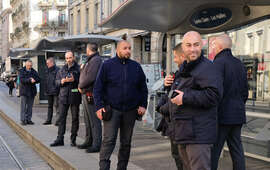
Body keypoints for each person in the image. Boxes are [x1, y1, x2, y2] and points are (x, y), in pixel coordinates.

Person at [163, 31, 220, 170]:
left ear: (202, 45)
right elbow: (176, 93)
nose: (193, 49)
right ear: (183, 47)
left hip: (199, 135)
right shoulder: (185, 67)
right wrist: (168, 85)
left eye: (196, 45)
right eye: (188, 45)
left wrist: (185, 97)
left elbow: (213, 96)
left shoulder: (207, 67)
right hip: (184, 131)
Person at [93, 40, 148, 170]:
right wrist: (99, 106)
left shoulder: (136, 67)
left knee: (126, 143)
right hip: (112, 110)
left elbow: (143, 88)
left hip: (130, 111)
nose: (128, 50)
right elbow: (98, 88)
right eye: (125, 48)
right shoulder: (107, 65)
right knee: (108, 141)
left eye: (129, 48)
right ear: (118, 50)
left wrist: (143, 105)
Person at [211, 35, 248, 170]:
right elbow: (245, 92)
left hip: (222, 116)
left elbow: (215, 91)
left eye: (213, 45)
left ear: (220, 47)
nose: (212, 48)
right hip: (238, 114)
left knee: (214, 151)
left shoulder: (218, 63)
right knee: (237, 149)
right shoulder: (239, 63)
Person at [157, 43, 186, 170]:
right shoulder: (179, 73)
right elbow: (170, 94)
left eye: (175, 56)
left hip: (180, 123)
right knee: (177, 155)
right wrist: (167, 85)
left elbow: (174, 99)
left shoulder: (187, 74)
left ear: (182, 56)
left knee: (181, 157)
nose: (174, 60)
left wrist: (161, 108)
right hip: (174, 123)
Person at [50, 51, 81, 147]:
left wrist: (74, 79)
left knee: (75, 119)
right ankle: (60, 139)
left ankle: (73, 139)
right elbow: (56, 82)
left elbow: (82, 80)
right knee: (61, 118)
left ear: (73, 57)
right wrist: (61, 81)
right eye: (67, 58)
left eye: (70, 58)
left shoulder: (78, 68)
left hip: (74, 96)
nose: (68, 60)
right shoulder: (62, 69)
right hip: (63, 97)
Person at [77, 43, 102, 153]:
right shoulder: (90, 60)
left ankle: (96, 144)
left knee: (94, 121)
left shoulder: (95, 60)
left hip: (90, 94)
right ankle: (88, 140)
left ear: (89, 49)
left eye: (86, 48)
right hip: (85, 93)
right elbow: (84, 74)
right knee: (87, 120)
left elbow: (90, 77)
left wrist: (81, 85)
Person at [19, 60, 40, 125]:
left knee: (30, 107)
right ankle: (23, 120)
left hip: (31, 92)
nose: (29, 67)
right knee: (23, 107)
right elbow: (22, 80)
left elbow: (39, 79)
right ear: (25, 65)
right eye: (28, 65)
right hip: (24, 91)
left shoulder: (34, 71)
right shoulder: (22, 71)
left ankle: (28, 119)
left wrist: (35, 80)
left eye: (30, 65)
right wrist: (29, 80)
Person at [43, 57, 60, 125]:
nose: (47, 64)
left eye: (48, 63)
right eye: (47, 63)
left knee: (57, 106)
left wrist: (56, 89)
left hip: (56, 91)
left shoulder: (58, 70)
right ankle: (48, 120)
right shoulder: (47, 70)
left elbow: (58, 81)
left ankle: (58, 121)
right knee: (50, 106)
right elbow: (46, 81)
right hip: (49, 91)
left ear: (52, 63)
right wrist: (46, 90)